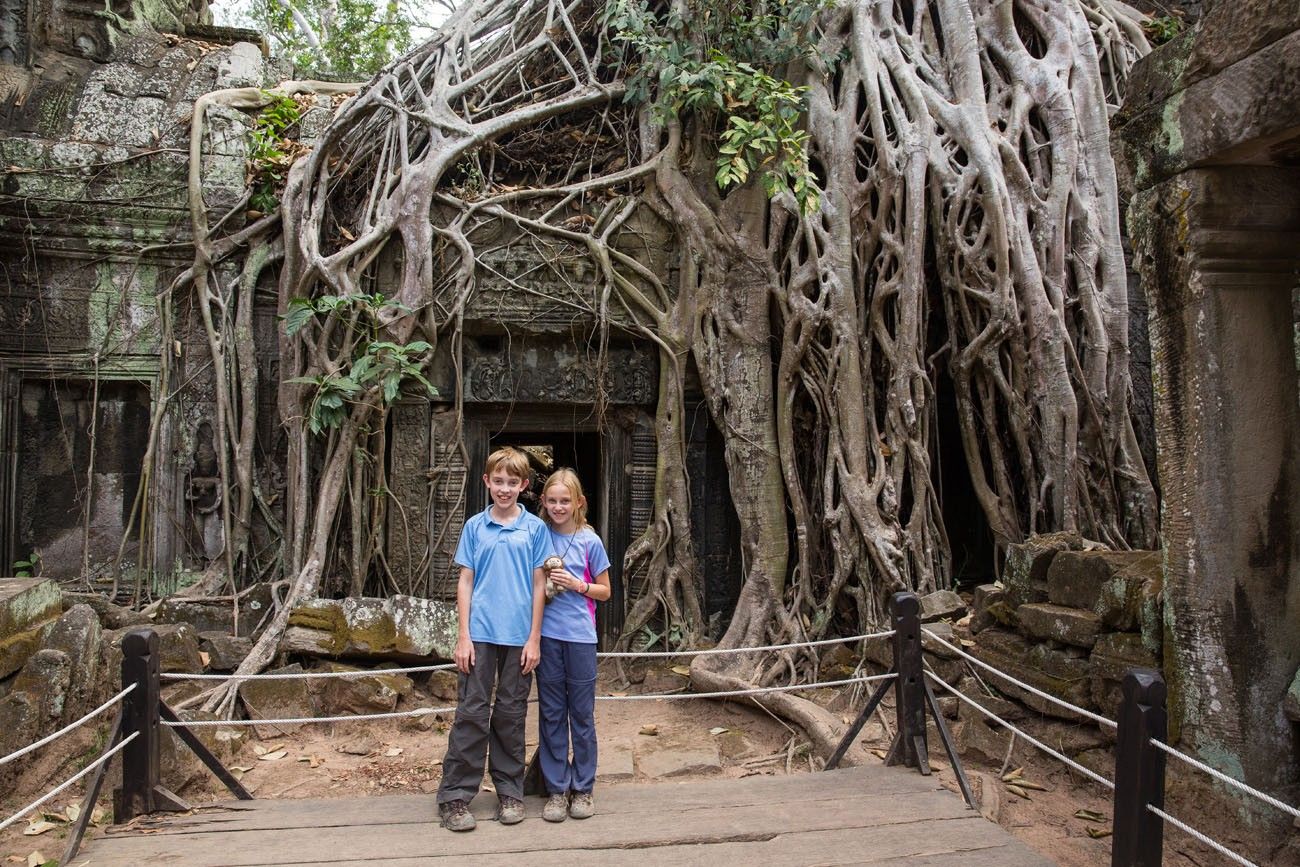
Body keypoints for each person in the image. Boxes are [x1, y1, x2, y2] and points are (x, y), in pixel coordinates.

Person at [436, 446, 550, 832]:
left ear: (523, 485)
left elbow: (540, 585)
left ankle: (509, 792)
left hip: (519, 635)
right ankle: (455, 796)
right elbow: (465, 581)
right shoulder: (474, 526)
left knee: (511, 714)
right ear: (486, 482)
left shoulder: (535, 529)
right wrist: (463, 636)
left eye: (512, 482)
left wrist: (534, 638)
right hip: (480, 633)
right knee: (471, 712)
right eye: (497, 481)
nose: (504, 488)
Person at [535, 468, 611, 822]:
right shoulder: (537, 534)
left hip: (580, 637)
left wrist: (577, 585)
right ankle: (555, 789)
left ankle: (583, 788)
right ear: (543, 502)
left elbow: (605, 591)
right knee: (551, 713)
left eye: (565, 501)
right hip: (547, 636)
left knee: (580, 714)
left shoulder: (589, 541)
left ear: (579, 502)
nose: (558, 506)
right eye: (552, 500)